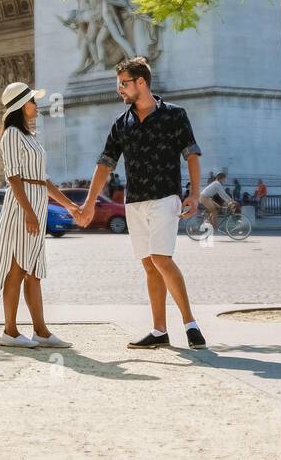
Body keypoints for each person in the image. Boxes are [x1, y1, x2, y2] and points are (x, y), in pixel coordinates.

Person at [79, 56, 206, 350]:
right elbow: (104, 165)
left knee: (162, 259)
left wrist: (195, 193)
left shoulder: (175, 115)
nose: (119, 90)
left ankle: (191, 325)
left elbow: (192, 154)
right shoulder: (121, 123)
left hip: (166, 197)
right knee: (150, 265)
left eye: (124, 84)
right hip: (133, 202)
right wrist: (88, 203)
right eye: (118, 85)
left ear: (141, 82)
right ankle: (159, 330)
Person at [0, 81, 80, 349]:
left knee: (34, 271)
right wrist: (28, 213)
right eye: (32, 101)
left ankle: (41, 331)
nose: (37, 106)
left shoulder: (30, 136)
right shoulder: (12, 135)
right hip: (21, 205)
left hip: (36, 202)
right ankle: (10, 331)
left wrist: (69, 206)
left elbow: (44, 180)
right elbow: (13, 177)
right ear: (20, 105)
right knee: (17, 268)